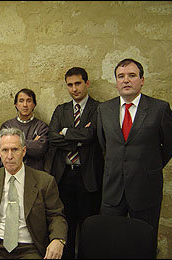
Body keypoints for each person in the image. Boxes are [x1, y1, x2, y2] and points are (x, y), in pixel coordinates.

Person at [97, 58, 172, 252]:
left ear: (142, 80)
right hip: (113, 190)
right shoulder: (104, 109)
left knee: (144, 245)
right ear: (116, 81)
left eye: (132, 75)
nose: (126, 80)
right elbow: (103, 144)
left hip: (145, 190)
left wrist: (149, 166)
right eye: (121, 76)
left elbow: (170, 145)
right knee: (109, 244)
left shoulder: (160, 109)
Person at [0, 128, 68, 259]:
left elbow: (56, 216)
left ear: (23, 151)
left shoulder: (44, 182)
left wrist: (58, 240)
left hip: (28, 249)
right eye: (5, 150)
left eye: (15, 150)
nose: (9, 156)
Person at [48, 67, 104, 258]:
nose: (74, 88)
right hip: (64, 177)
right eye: (70, 85)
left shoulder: (99, 108)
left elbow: (93, 135)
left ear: (86, 83)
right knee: (66, 225)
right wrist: (79, 139)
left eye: (78, 83)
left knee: (89, 227)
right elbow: (52, 138)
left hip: (88, 176)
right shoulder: (61, 109)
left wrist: (66, 132)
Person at [0, 88, 49, 171]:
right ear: (16, 104)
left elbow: (40, 150)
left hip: (35, 173)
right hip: (12, 172)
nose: (25, 105)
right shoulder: (7, 126)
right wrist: (33, 143)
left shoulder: (42, 126)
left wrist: (15, 144)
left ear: (34, 104)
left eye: (29, 101)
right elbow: (5, 150)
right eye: (21, 101)